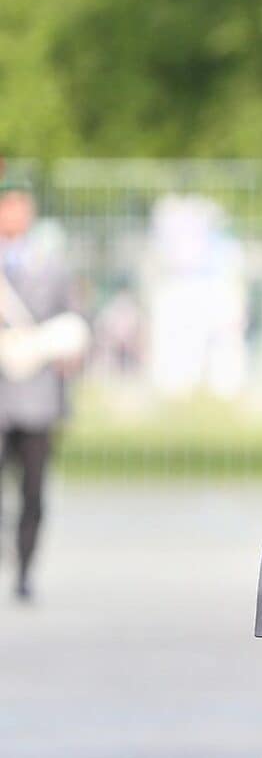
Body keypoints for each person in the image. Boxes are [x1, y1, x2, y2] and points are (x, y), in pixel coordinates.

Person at [0, 183, 79, 601]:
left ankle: (25, 566)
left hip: (37, 394)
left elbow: (73, 318)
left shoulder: (50, 264)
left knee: (33, 489)